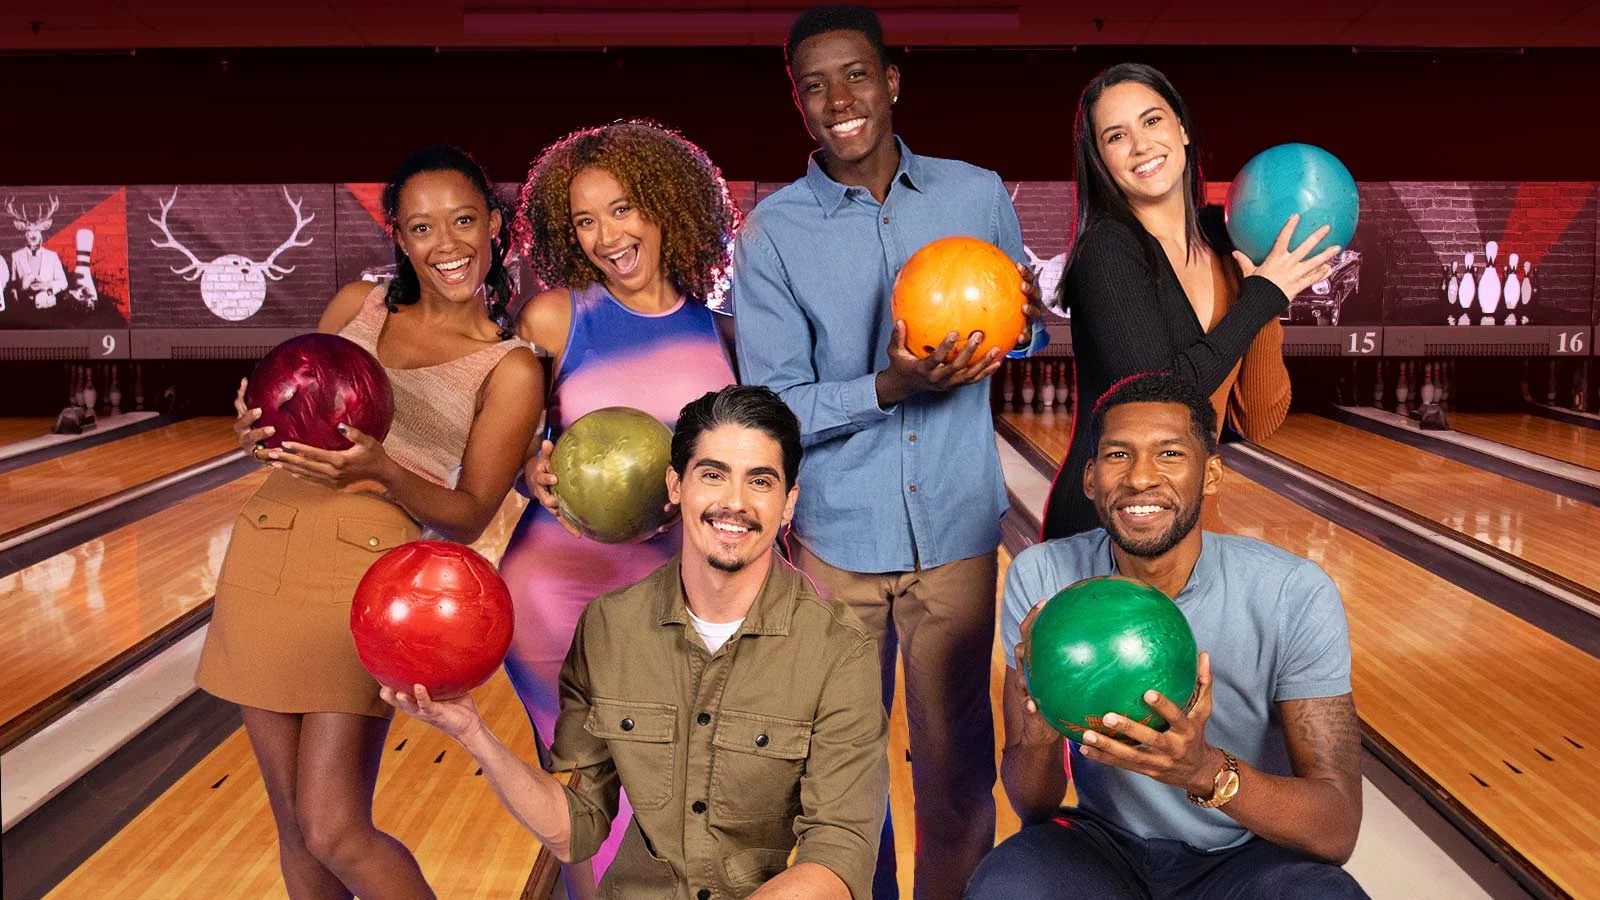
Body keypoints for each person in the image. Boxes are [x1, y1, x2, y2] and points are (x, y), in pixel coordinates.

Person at [731, 7, 1043, 898]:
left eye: (857, 75)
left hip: (954, 531)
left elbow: (1021, 335)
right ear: (798, 101)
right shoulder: (774, 234)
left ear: (892, 79)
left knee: (956, 773)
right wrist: (888, 386)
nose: (841, 100)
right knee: (843, 781)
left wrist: (1025, 328)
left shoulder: (975, 195)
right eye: (816, 85)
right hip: (836, 542)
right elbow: (776, 405)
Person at [195, 145, 542, 900]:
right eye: (422, 228)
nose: (444, 245)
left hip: (368, 581)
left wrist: (385, 469)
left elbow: (473, 510)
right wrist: (255, 428)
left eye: (461, 221)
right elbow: (295, 411)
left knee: (333, 827)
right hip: (267, 552)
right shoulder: (358, 305)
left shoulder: (509, 365)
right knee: (293, 828)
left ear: (494, 224)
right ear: (399, 235)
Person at [387, 385, 888, 900]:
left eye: (760, 481)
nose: (734, 503)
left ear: (788, 504)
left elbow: (838, 854)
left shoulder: (838, 649)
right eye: (712, 475)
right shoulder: (609, 627)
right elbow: (576, 828)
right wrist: (474, 732)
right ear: (676, 486)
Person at [971, 372, 1366, 900]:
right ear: (1089, 479)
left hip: (1251, 856)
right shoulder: (1045, 581)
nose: (1139, 479)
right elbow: (1032, 804)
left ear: (1211, 475)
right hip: (1103, 848)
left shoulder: (1294, 592)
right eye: (1117, 455)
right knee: (1007, 889)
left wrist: (1202, 770)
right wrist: (1040, 728)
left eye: (1170, 455)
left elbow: (1336, 828)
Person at [500, 119, 741, 894]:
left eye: (624, 208)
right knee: (584, 799)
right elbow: (500, 451)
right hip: (555, 591)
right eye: (584, 219)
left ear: (669, 205)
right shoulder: (555, 318)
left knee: (680, 800)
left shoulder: (725, 331)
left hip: (676, 598)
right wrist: (527, 470)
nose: (607, 235)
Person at [1038, 62, 1339, 540]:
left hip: (1192, 526)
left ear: (1180, 128)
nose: (1141, 146)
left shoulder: (1226, 243)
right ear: (1099, 158)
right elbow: (1159, 396)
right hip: (1103, 531)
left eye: (1152, 120)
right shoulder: (1108, 249)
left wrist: (1263, 294)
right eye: (1116, 136)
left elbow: (1257, 420)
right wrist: (1262, 297)